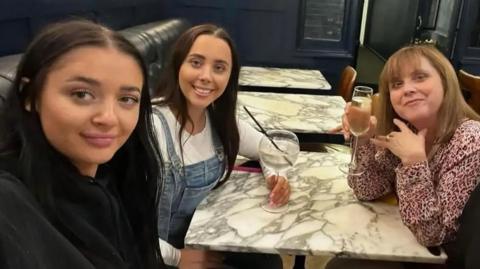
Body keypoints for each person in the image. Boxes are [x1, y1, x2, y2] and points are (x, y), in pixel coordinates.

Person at [0, 20, 165, 269]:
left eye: (127, 99)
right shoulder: (9, 205)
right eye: (82, 94)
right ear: (30, 96)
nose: (108, 118)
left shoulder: (115, 180)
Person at [328, 45, 480, 269]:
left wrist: (414, 162)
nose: (407, 89)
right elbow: (367, 190)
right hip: (409, 247)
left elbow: (433, 234)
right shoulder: (407, 130)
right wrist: (364, 139)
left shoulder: (471, 141)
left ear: (446, 82)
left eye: (420, 77)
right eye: (397, 84)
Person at [151, 24, 289, 268]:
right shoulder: (153, 128)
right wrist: (178, 257)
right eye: (195, 62)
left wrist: (276, 176)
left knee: (268, 262)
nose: (206, 76)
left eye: (219, 68)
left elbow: (267, 148)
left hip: (205, 237)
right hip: (157, 255)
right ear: (177, 65)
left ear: (229, 76)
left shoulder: (218, 118)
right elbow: (126, 227)